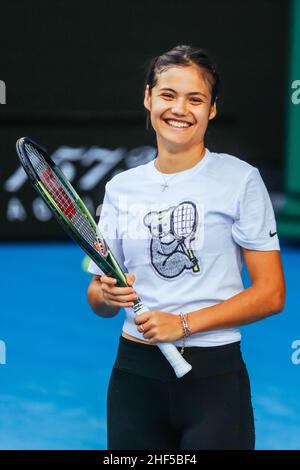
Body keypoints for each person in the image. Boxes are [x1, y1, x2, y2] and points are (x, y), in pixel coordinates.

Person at [87, 44, 286, 450]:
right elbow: (97, 298)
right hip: (134, 378)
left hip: (214, 380)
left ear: (211, 109)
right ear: (148, 98)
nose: (180, 109)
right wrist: (107, 293)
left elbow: (271, 294)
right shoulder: (121, 188)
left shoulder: (241, 180)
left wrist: (182, 324)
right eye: (167, 95)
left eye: (195, 99)